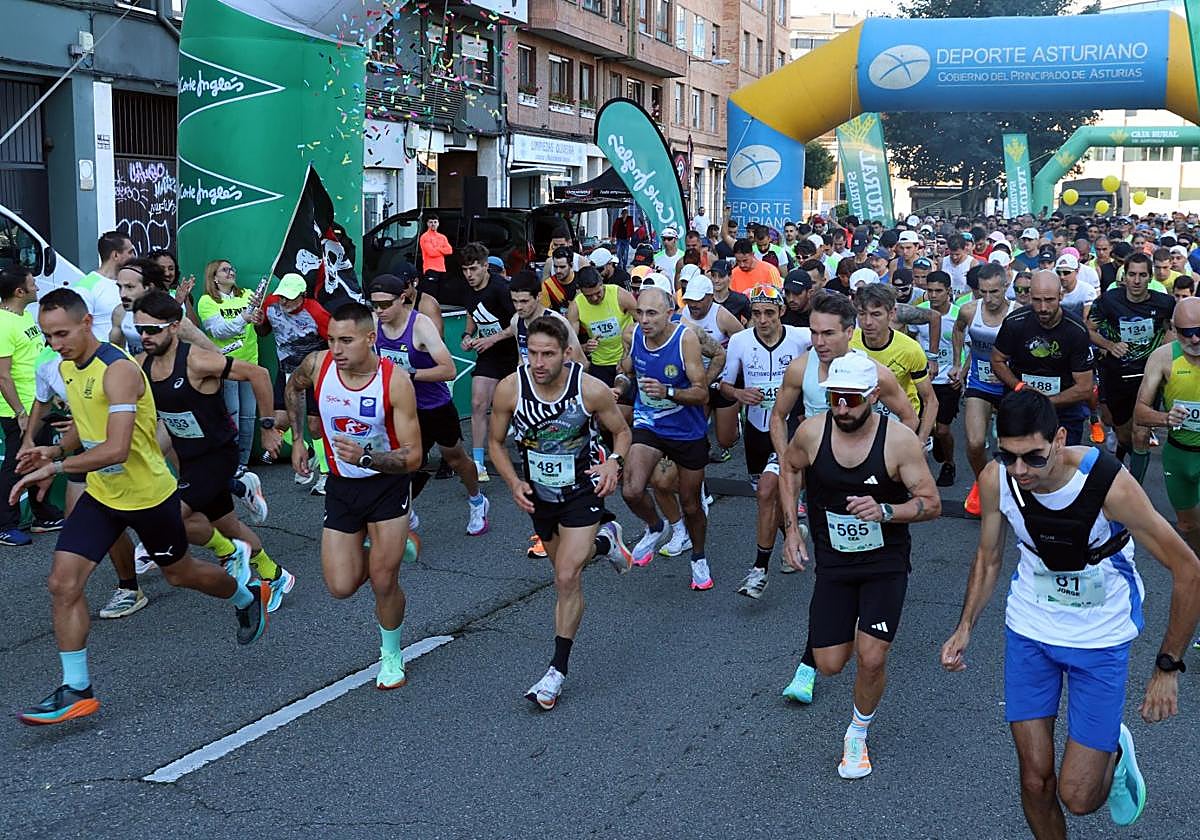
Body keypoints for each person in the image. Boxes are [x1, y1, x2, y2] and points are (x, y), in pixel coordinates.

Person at [940, 389, 1200, 835]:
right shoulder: (996, 478)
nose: (1021, 471)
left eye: (1034, 458)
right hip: (1030, 629)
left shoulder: (1106, 483)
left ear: (1059, 439)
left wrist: (1168, 666)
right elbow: (988, 558)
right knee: (1034, 780)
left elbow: (1188, 569)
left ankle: (1114, 753)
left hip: (1100, 636)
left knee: (1078, 797)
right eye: (1009, 456)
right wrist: (965, 626)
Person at [13, 289, 269, 724]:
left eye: (61, 334)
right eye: (48, 335)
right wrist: (54, 453)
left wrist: (56, 472)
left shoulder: (119, 371)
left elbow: (115, 448)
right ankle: (76, 688)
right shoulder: (68, 368)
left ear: (85, 324)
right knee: (62, 583)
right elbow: (86, 428)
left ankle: (245, 595)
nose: (54, 344)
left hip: (149, 496)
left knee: (180, 574)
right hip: (103, 496)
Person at [779, 352, 940, 779]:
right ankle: (855, 625)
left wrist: (887, 511)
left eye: (851, 399)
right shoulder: (812, 433)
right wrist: (792, 531)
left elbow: (931, 504)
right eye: (834, 398)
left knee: (870, 658)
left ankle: (857, 734)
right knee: (830, 663)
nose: (842, 408)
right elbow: (789, 471)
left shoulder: (899, 441)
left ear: (872, 396)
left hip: (884, 562)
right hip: (833, 562)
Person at [488, 315, 633, 710]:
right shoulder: (510, 389)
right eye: (532, 353)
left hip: (582, 490)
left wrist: (613, 462)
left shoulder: (589, 389)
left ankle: (556, 671)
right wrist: (512, 482)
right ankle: (606, 543)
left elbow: (622, 432)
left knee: (566, 576)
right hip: (540, 495)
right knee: (564, 569)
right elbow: (495, 443)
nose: (538, 362)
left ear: (567, 354)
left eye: (547, 354)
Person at [286, 302, 423, 691]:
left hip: (387, 486)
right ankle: (386, 546)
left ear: (370, 338)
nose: (337, 349)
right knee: (341, 586)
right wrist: (299, 439)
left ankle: (391, 655)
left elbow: (413, 456)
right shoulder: (317, 366)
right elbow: (293, 386)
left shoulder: (393, 382)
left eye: (346, 340)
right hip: (342, 486)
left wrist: (366, 456)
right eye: (331, 340)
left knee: (383, 580)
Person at [134, 291, 294, 612]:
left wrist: (267, 428)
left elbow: (258, 374)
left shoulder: (196, 360)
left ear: (175, 327)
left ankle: (229, 552)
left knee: (168, 518)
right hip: (189, 460)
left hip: (218, 456)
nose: (144, 336)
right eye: (139, 329)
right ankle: (275, 575)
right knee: (229, 525)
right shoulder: (141, 365)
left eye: (153, 329)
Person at [369, 272, 489, 537]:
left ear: (402, 299)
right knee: (403, 461)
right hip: (402, 406)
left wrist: (408, 376)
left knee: (456, 459)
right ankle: (403, 512)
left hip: (434, 406)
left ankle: (477, 500)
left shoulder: (420, 325)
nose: (380, 310)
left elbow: (448, 369)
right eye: (375, 304)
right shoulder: (375, 323)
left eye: (385, 304)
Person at [718, 284, 811, 598]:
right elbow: (725, 385)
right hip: (757, 430)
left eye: (769, 312)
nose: (762, 319)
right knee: (766, 494)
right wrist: (739, 394)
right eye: (756, 313)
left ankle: (759, 569)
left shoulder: (801, 338)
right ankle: (792, 532)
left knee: (768, 491)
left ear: (781, 312)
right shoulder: (741, 342)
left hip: (791, 429)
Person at [616, 286, 713, 587]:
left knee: (691, 504)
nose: (644, 319)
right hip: (650, 423)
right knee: (631, 490)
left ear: (669, 313)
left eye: (652, 313)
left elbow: (701, 392)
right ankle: (655, 526)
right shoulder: (633, 335)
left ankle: (698, 557)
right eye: (640, 312)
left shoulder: (685, 339)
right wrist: (619, 387)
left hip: (687, 430)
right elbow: (625, 370)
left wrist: (669, 391)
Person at [1087, 251, 1175, 482]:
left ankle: (1135, 490)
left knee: (1141, 433)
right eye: (1132, 275)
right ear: (1124, 277)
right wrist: (1110, 344)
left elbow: (1173, 328)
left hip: (1149, 375)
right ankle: (1119, 452)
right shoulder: (1109, 300)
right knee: (1124, 432)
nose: (1136, 281)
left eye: (1142, 275)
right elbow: (1089, 329)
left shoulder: (1164, 302)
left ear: (1150, 277)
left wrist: (1164, 350)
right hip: (1117, 374)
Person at [1135, 297, 1200, 574]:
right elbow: (1140, 412)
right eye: (1187, 332)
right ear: (1174, 329)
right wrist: (1165, 418)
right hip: (1179, 454)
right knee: (1186, 525)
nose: (1195, 339)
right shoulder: (1163, 357)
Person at [993, 271, 1095, 447]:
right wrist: (1019, 386)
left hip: (1064, 408)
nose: (1043, 308)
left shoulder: (1076, 330)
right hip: (1021, 402)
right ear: (1030, 296)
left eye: (1049, 300)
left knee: (1063, 463)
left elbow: (1084, 387)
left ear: (1061, 296)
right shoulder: (1015, 322)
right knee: (1020, 461)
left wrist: (1045, 401)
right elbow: (997, 359)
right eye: (1037, 300)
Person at [0, 267, 63, 545]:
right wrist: (21, 413)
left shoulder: (23, 316)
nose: (37, 287)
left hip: (40, 404)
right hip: (21, 411)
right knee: (16, 465)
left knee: (42, 459)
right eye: (32, 283)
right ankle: (5, 524)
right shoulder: (2, 323)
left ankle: (43, 515)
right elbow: (2, 375)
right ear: (19, 292)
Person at [951, 263, 1016, 514]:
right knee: (976, 442)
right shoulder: (969, 310)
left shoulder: (1017, 313)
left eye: (994, 292)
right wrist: (958, 364)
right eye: (983, 292)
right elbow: (958, 331)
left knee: (1007, 445)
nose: (988, 299)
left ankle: (1011, 487)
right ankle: (982, 482)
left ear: (1005, 287)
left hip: (1009, 385)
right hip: (979, 383)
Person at [258, 273, 331, 492]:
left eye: (290, 297)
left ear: (303, 295)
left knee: (314, 424)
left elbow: (334, 342)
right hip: (286, 370)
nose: (284, 301)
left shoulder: (316, 311)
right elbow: (263, 332)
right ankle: (308, 453)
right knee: (280, 422)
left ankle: (326, 474)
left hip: (313, 372)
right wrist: (259, 321)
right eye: (282, 296)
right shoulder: (271, 303)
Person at [196, 259, 264, 473]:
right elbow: (218, 331)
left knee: (249, 416)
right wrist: (244, 318)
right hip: (226, 366)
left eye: (231, 268)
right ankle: (229, 462)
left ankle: (242, 463)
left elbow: (257, 323)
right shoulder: (207, 301)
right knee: (232, 414)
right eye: (224, 270)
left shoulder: (247, 294)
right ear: (214, 277)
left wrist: (258, 317)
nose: (230, 272)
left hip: (250, 363)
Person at [851, 284, 938, 445]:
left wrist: (920, 442)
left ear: (891, 314)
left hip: (903, 422)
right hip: (863, 423)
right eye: (862, 314)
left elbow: (930, 400)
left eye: (876, 314)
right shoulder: (849, 343)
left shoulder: (910, 349)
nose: (867, 322)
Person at [461, 242, 518, 481]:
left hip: (513, 352)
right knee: (477, 403)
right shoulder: (467, 289)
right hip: (490, 354)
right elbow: (472, 314)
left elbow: (518, 321)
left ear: (486, 267)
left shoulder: (501, 288)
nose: (469, 275)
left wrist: (493, 338)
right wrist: (467, 335)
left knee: (517, 406)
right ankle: (477, 462)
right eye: (465, 270)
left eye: (473, 269)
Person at [679, 272, 744, 462]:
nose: (693, 305)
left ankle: (734, 427)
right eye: (689, 300)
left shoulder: (722, 316)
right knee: (696, 425)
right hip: (697, 377)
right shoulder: (684, 314)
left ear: (710, 297)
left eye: (698, 300)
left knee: (726, 439)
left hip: (723, 378)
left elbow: (743, 340)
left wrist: (734, 371)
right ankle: (700, 450)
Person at [916, 271, 962, 487]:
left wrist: (960, 370)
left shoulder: (958, 315)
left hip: (947, 379)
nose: (933, 296)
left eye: (938, 291)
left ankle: (949, 463)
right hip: (922, 377)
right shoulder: (919, 312)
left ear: (949, 291)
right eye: (929, 291)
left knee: (943, 429)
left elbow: (968, 346)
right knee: (923, 426)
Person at [568, 266, 636, 386]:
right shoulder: (576, 306)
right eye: (588, 296)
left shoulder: (619, 295)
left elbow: (642, 322)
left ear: (602, 284)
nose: (594, 298)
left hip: (626, 360)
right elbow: (571, 343)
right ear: (581, 291)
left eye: (598, 293)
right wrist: (585, 347)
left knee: (628, 401)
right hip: (600, 364)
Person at [70, 231, 130, 348]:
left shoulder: (130, 283)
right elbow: (78, 330)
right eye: (130, 252)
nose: (134, 257)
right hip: (103, 361)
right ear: (116, 255)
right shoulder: (85, 287)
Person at [418, 215, 452, 299]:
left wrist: (436, 248)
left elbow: (449, 250)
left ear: (438, 224)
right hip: (430, 269)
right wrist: (442, 249)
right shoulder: (425, 237)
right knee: (430, 294)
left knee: (440, 294)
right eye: (431, 222)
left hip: (442, 269)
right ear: (427, 224)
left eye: (435, 222)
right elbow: (431, 252)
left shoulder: (442, 237)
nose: (433, 224)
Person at [710, 259, 750, 324]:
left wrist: (745, 331)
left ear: (730, 277)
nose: (716, 280)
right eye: (713, 275)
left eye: (721, 276)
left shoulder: (740, 300)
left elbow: (753, 318)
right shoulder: (705, 298)